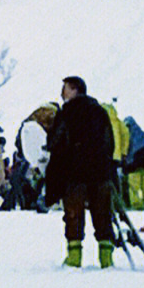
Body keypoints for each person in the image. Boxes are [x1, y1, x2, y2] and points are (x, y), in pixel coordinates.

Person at [44, 76, 116, 268]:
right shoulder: (100, 111)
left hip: (74, 172)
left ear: (75, 89)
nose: (62, 92)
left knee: (74, 215)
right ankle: (106, 259)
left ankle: (74, 258)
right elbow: (110, 141)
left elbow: (56, 142)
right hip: (100, 171)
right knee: (102, 214)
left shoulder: (67, 112)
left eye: (65, 88)